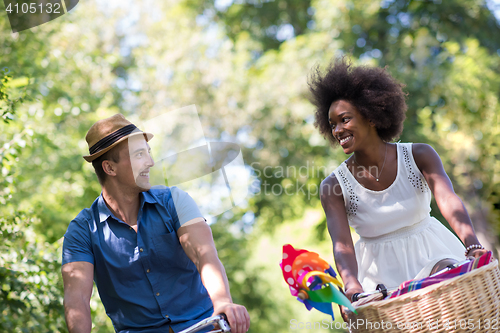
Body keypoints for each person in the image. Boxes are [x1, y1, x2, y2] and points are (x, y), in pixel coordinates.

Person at [308, 58, 488, 316]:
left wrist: (472, 244)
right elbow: (342, 245)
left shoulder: (419, 155)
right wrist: (351, 285)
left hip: (434, 254)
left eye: (344, 119)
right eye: (333, 124)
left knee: (454, 292)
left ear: (370, 115)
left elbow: (447, 200)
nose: (337, 130)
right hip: (378, 276)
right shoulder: (333, 186)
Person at [61, 114, 250, 333]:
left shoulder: (175, 201)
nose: (150, 162)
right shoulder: (82, 231)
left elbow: (204, 255)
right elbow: (78, 300)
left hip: (203, 326)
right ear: (110, 168)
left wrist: (222, 301)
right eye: (139, 155)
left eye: (148, 153)